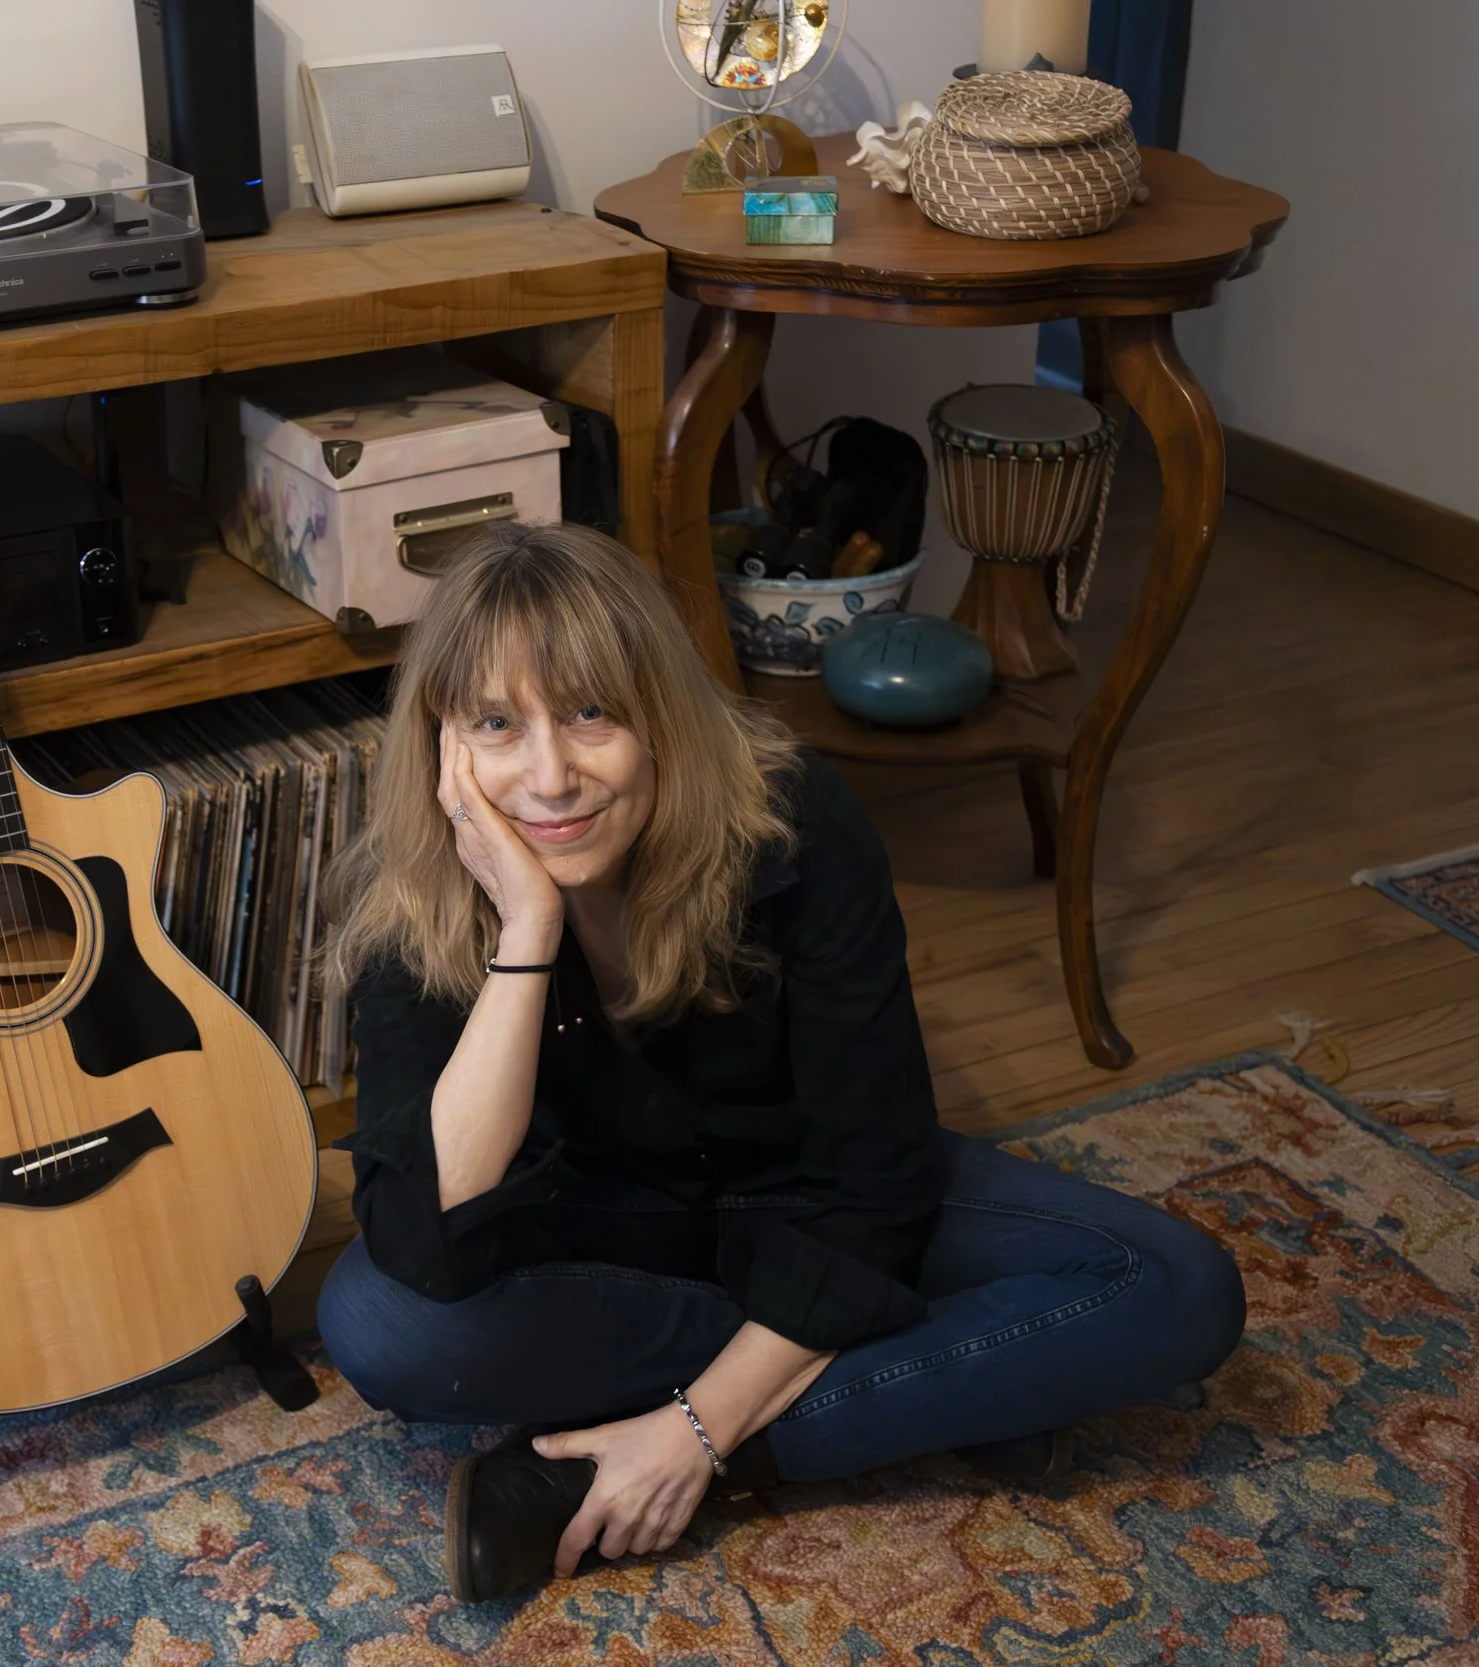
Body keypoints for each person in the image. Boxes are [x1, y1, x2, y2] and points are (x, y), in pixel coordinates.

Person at [315, 522, 1247, 1602]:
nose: (550, 776)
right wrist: (525, 927)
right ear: (442, 747)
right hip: (602, 1241)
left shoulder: (793, 819)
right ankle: (947, 1384)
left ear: (659, 716)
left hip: (813, 1205)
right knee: (380, 1323)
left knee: (1176, 1286)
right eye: (493, 723)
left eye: (589, 714)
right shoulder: (417, 897)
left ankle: (663, 1462)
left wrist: (697, 1435)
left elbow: (876, 1177)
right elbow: (427, 1241)